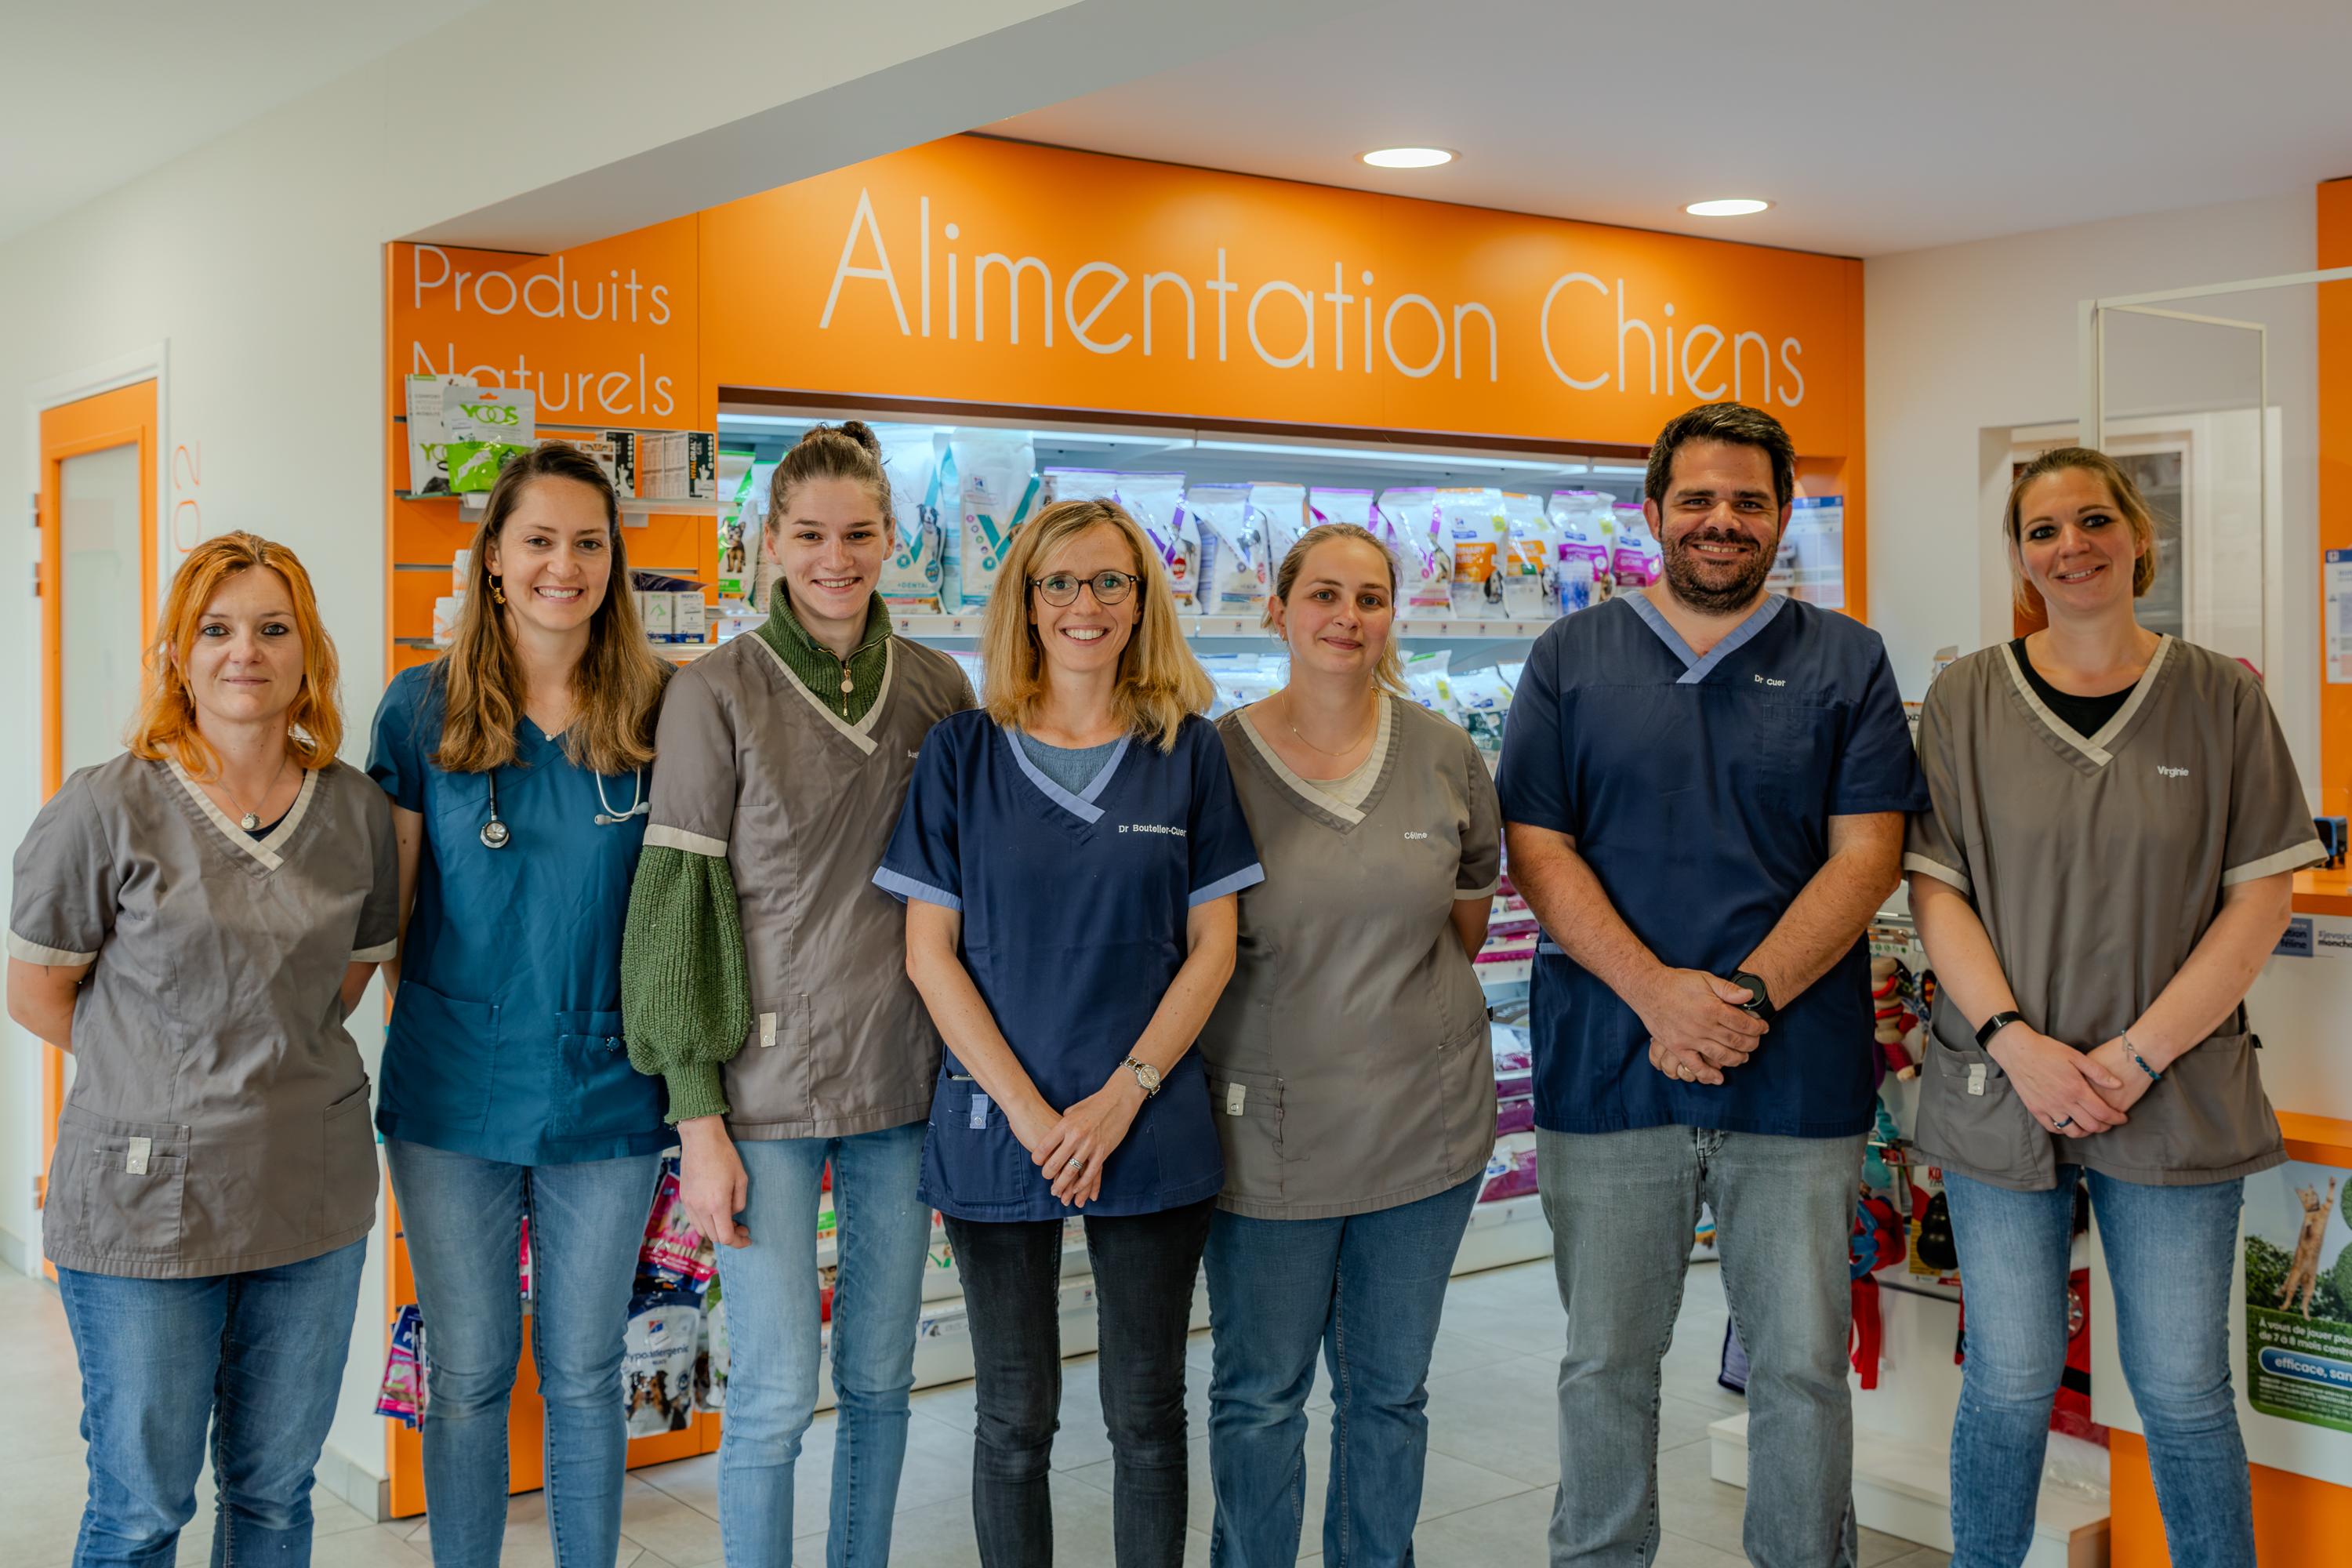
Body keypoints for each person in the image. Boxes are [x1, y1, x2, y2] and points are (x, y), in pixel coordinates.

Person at [1495, 401, 1927, 1568]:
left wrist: (1737, 1004)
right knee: (1606, 1367)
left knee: (1797, 1368)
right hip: (1610, 1063)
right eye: (1697, 499)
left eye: (1747, 501)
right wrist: (1658, 998)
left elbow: (1867, 855)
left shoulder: (1847, 661)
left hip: (1792, 1075)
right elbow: (1539, 848)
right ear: (1653, 514)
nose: (1721, 522)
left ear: (1783, 515)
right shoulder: (1570, 660)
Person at [1904, 447, 2320, 1568]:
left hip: (2175, 1087)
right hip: (2005, 1090)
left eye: (2094, 521)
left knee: (2183, 1391)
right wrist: (2017, 1043)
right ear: (2020, 556)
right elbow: (1936, 891)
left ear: (2140, 537)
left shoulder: (2222, 697)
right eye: (2042, 530)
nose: (2071, 547)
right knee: (2007, 1379)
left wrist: (2135, 1056)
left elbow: (2261, 896)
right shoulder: (1964, 698)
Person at [877, 497, 1263, 1568]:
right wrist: (1038, 1116)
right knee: (1013, 1419)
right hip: (1001, 1120)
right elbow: (928, 955)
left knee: (1146, 1413)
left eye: (1111, 582)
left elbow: (1215, 949)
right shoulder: (961, 752)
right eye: (1060, 583)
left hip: (1146, 1120)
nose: (1085, 604)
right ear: (1026, 601)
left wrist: (1121, 1094)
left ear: (1143, 600)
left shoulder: (1186, 752)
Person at [620, 421, 975, 1567]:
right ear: (768, 543)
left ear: (890, 541)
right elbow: (673, 906)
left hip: (904, 1083)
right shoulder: (714, 692)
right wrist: (697, 1118)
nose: (837, 557)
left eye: (859, 533)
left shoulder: (937, 689)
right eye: (810, 534)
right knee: (773, 1394)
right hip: (758, 1098)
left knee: (881, 1379)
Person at [6, 533, 398, 1567]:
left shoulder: (355, 811)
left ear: (307, 651)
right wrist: (162, 1070)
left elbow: (340, 988)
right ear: (176, 653)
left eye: (274, 629)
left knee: (275, 1497)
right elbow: (40, 993)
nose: (245, 653)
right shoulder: (105, 806)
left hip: (309, 1200)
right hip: (147, 1204)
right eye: (216, 630)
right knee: (141, 1510)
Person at [368, 442, 673, 1568]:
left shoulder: (661, 712)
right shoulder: (420, 713)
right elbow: (394, 918)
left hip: (612, 1093)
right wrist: (464, 1028)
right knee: (470, 1371)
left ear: (613, 561)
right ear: (494, 560)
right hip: (453, 1093)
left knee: (588, 1370)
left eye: (588, 543)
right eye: (539, 541)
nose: (565, 565)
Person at [1199, 522, 1501, 1566]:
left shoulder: (1444, 752)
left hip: (1426, 1131)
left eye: (1369, 599)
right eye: (1323, 595)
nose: (1346, 618)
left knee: (1388, 1395)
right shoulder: (1214, 760)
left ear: (1391, 618)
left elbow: (1465, 913)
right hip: (1267, 1138)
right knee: (1260, 1397)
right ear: (1276, 611)